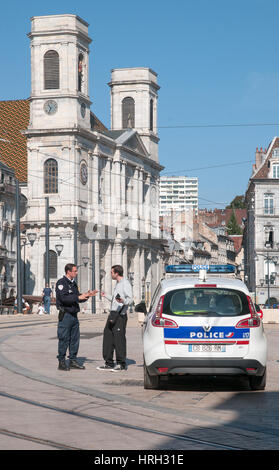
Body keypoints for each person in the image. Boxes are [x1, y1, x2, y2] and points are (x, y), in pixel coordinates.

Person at [56, 263, 98, 371]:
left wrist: (87, 295)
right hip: (65, 315)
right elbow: (64, 298)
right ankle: (61, 361)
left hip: (74, 315)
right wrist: (78, 296)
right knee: (64, 339)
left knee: (75, 339)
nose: (76, 272)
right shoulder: (61, 283)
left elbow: (78, 298)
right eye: (75, 271)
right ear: (68, 271)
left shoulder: (73, 284)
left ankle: (73, 360)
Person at [97, 265, 132, 372]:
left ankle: (121, 364)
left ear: (117, 273)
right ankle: (109, 362)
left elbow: (130, 299)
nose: (111, 274)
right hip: (113, 314)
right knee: (108, 336)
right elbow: (115, 299)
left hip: (120, 315)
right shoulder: (118, 284)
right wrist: (106, 295)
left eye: (112, 272)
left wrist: (123, 301)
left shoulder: (125, 283)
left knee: (119, 339)